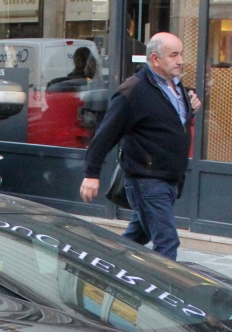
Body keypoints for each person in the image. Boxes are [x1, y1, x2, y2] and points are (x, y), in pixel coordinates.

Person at [80, 32, 200, 261]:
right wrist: (91, 173)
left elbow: (167, 122)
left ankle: (99, 265)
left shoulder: (176, 87)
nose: (180, 60)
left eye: (181, 54)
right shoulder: (133, 91)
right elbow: (106, 133)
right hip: (147, 180)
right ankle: (162, 293)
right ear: (155, 59)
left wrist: (191, 107)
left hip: (169, 179)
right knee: (167, 242)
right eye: (174, 55)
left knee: (135, 238)